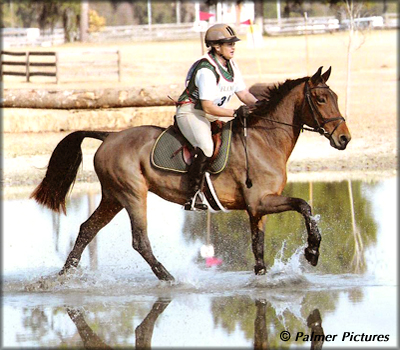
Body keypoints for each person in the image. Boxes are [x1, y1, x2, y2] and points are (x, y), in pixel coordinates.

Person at [175, 23, 258, 211]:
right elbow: (207, 106)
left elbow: (243, 94)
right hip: (192, 112)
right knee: (206, 147)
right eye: (228, 44)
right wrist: (235, 113)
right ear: (216, 47)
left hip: (210, 114)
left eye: (233, 43)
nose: (233, 47)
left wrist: (260, 106)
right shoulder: (206, 69)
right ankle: (193, 195)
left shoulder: (231, 65)